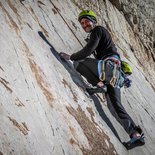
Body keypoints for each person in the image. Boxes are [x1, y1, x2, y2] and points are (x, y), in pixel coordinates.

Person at [60, 10, 145, 149]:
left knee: (78, 62)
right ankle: (136, 135)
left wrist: (70, 57)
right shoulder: (99, 36)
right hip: (114, 75)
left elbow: (87, 50)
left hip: (109, 68)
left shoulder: (98, 30)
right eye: (82, 23)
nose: (84, 24)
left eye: (86, 21)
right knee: (114, 106)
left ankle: (99, 84)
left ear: (93, 21)